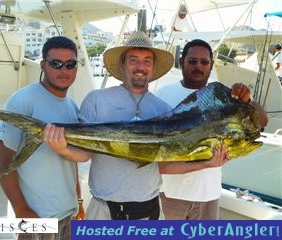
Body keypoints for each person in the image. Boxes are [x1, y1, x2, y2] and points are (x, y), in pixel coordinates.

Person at [45, 31, 229, 220]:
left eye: (147, 61)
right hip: (104, 210)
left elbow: (162, 166)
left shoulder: (163, 110)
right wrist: (62, 149)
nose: (141, 66)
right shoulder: (96, 100)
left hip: (148, 211)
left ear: (153, 67)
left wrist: (208, 163)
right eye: (133, 60)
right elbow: (84, 154)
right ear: (122, 64)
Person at [156, 39, 268, 220]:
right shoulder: (162, 94)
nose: (198, 66)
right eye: (192, 61)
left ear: (211, 64)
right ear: (181, 62)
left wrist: (247, 100)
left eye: (204, 62)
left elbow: (262, 121)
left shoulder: (223, 95)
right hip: (170, 193)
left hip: (208, 193)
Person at [0, 36, 90, 240]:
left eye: (70, 64)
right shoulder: (22, 101)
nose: (64, 70)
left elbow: (71, 161)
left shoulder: (72, 107)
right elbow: (1, 157)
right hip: (37, 219)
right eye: (56, 63)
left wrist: (79, 201)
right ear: (43, 65)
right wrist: (21, 210)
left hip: (68, 214)